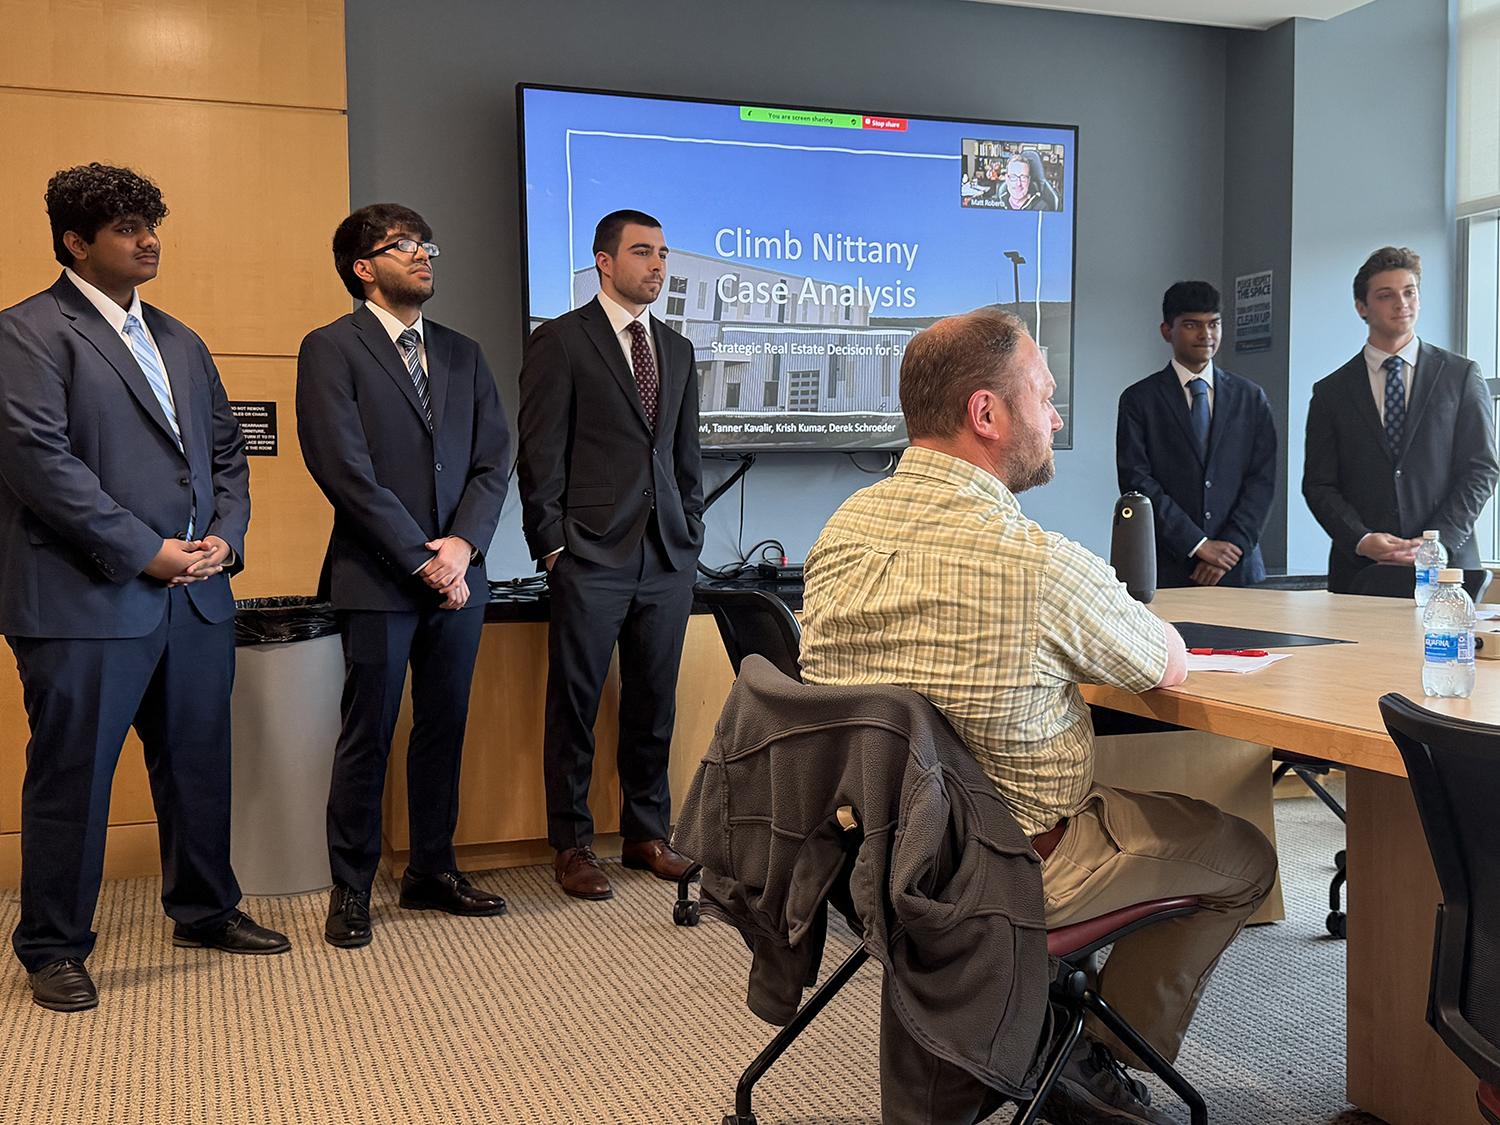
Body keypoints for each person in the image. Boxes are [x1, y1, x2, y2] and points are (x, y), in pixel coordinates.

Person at [799, 309, 1277, 1125]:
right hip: (1014, 864)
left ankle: (1044, 1036)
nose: (1055, 418)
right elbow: (1164, 659)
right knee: (1244, 855)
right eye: (1045, 396)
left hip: (872, 851)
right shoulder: (1035, 562)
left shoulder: (843, 529)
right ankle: (1087, 1054)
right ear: (986, 414)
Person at [0, 163, 290, 1011]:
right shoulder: (25, 333)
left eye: (151, 224)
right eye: (127, 228)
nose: (148, 239)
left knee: (198, 764)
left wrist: (224, 540)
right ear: (75, 241)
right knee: (73, 776)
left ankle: (204, 907)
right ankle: (53, 944)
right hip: (82, 599)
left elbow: (227, 456)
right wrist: (144, 550)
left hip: (197, 595)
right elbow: (39, 465)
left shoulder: (182, 340)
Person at [296, 204, 511, 948]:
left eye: (427, 243)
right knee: (369, 731)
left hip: (460, 576)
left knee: (443, 726)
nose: (424, 256)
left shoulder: (462, 352)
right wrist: (423, 558)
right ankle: (351, 886)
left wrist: (462, 548)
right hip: (378, 575)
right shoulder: (331, 348)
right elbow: (344, 471)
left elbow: (492, 460)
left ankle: (431, 869)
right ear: (364, 267)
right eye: (404, 247)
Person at [517, 209, 705, 901]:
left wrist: (691, 528)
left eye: (662, 252)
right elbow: (538, 453)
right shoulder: (560, 341)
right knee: (576, 702)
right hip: (589, 555)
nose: (657, 264)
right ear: (604, 261)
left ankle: (645, 834)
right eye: (642, 252)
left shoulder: (678, 349)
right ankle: (570, 845)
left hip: (666, 556)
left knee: (653, 701)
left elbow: (687, 456)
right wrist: (553, 546)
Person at [1303, 246, 1499, 593]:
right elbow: (1319, 484)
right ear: (1362, 307)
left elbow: (1481, 468)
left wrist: (1438, 542)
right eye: (1386, 295)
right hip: (1362, 571)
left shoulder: (1461, 375)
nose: (1402, 303)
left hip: (1449, 570)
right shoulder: (1331, 391)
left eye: (1410, 292)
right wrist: (1361, 539)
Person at [1116, 281, 1278, 587]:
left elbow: (1262, 480)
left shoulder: (1251, 397)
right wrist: (1198, 544)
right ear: (1167, 331)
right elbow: (1136, 481)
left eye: (1213, 324)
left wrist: (1229, 548)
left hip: (1238, 569)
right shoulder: (1140, 399)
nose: (1206, 335)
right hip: (1171, 567)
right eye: (1192, 325)